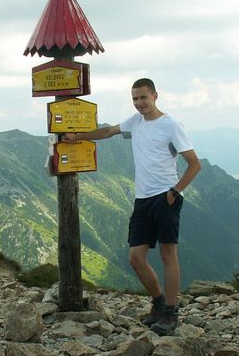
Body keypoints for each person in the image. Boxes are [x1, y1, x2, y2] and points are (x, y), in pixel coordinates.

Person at [64, 78, 201, 335]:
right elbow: (107, 132)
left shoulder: (171, 125)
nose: (139, 103)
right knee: (136, 258)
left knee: (167, 256)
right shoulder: (135, 122)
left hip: (165, 197)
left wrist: (175, 191)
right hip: (142, 199)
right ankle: (158, 304)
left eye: (143, 98)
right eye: (135, 99)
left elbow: (194, 163)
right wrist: (76, 138)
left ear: (155, 96)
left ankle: (171, 313)